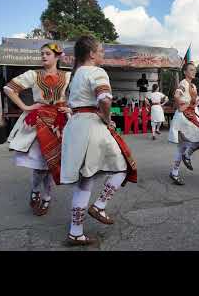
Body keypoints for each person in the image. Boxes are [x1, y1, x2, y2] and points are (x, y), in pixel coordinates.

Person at [60, 35, 137, 246]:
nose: (102, 54)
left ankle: (76, 231)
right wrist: (107, 118)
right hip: (92, 126)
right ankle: (100, 205)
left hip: (75, 126)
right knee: (123, 167)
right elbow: (105, 99)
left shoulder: (75, 75)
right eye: (101, 51)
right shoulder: (97, 71)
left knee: (85, 180)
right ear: (92, 54)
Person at [4, 42, 72, 217]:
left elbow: (81, 97)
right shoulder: (33, 75)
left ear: (58, 56)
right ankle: (35, 190)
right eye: (42, 53)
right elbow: (9, 88)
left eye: (47, 53)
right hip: (39, 120)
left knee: (51, 164)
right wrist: (26, 107)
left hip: (59, 121)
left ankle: (47, 197)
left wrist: (70, 108)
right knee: (40, 165)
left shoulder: (69, 76)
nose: (43, 56)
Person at [168, 62, 199, 185]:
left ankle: (175, 172)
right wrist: (182, 105)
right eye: (191, 70)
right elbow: (176, 95)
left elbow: (193, 101)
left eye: (194, 70)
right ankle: (186, 156)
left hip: (191, 115)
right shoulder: (183, 83)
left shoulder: (193, 86)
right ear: (185, 72)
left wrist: (194, 104)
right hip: (184, 117)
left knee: (183, 147)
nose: (194, 72)